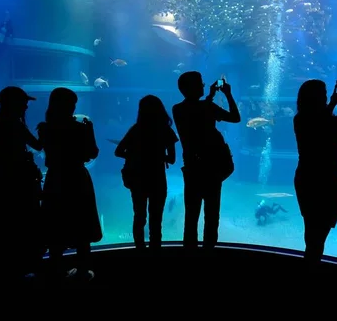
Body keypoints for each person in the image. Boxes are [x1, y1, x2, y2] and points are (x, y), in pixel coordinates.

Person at [293, 79, 337, 267]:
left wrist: (332, 103)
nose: (325, 98)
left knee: (312, 232)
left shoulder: (299, 119)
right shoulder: (329, 122)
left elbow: (317, 122)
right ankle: (311, 266)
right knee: (318, 235)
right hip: (326, 182)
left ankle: (310, 263)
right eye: (322, 95)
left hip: (306, 180)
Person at [37, 87, 102, 282]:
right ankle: (82, 270)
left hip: (55, 179)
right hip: (76, 178)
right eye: (72, 103)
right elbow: (92, 152)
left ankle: (55, 271)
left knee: (55, 225)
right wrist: (88, 129)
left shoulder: (45, 128)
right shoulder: (81, 127)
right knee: (82, 224)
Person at [172, 72, 240, 251]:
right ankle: (208, 252)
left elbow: (196, 108)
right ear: (194, 87)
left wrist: (210, 96)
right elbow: (235, 117)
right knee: (212, 216)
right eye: (201, 84)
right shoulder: (208, 108)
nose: (203, 86)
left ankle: (190, 253)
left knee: (191, 216)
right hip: (212, 169)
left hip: (193, 168)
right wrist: (227, 93)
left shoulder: (177, 109)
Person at [0, 86, 44, 281]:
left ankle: (11, 269)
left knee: (9, 226)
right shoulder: (13, 126)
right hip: (19, 185)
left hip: (8, 184)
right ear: (13, 103)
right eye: (23, 102)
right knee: (24, 224)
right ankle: (24, 267)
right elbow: (37, 145)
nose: (26, 106)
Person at [115, 95, 179, 252]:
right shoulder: (166, 130)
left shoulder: (136, 129)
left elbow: (118, 151)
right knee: (156, 220)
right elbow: (172, 159)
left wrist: (136, 155)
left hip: (138, 178)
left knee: (139, 217)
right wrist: (157, 156)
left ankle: (140, 251)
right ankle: (155, 252)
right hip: (157, 179)